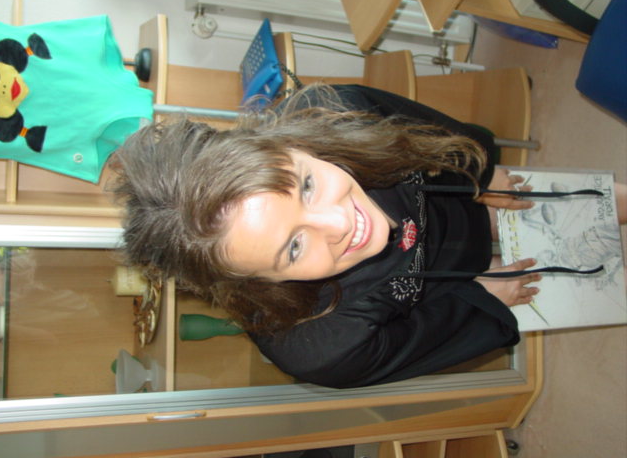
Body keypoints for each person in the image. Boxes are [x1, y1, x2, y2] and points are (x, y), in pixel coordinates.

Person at [111, 84, 624, 388]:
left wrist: (481, 176)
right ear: (262, 283)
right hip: (449, 288)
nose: (341, 225)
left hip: (456, 201)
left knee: (593, 204)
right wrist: (481, 298)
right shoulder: (318, 347)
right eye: (293, 247)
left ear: (292, 147)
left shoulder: (335, 110)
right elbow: (424, 340)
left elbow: (433, 137)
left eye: (307, 185)